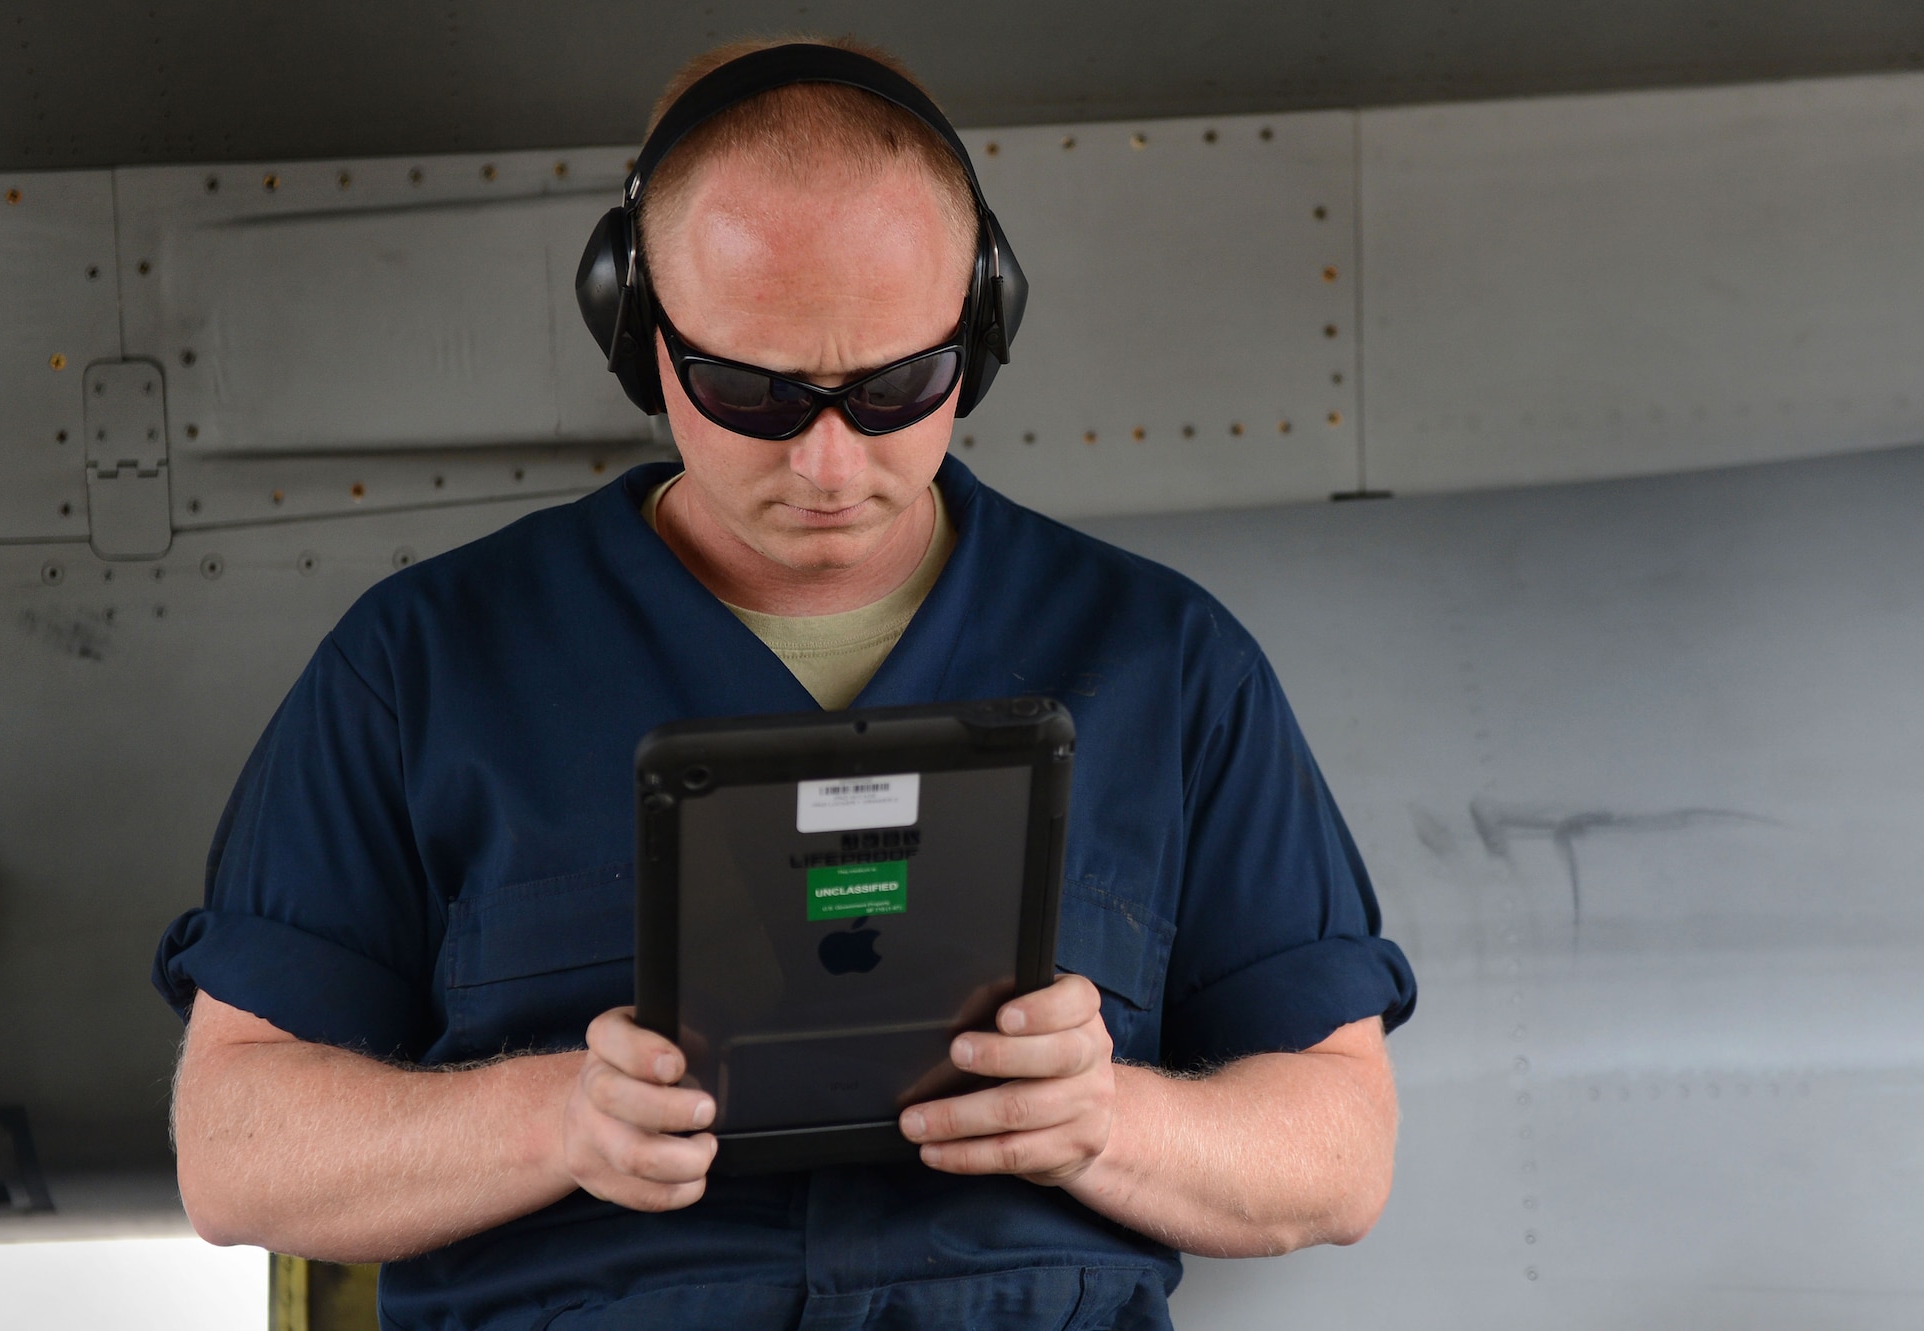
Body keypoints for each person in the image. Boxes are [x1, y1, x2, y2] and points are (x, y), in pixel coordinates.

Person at [154, 37, 1416, 1331]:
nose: (827, 464)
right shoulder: (420, 666)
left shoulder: (1168, 663)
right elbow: (238, 1150)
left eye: (898, 389)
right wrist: (555, 1121)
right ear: (636, 334)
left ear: (981, 333)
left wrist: (1102, 1122)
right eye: (754, 393)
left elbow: (1337, 1153)